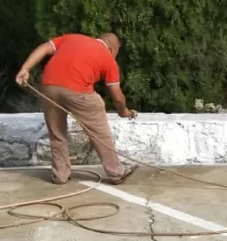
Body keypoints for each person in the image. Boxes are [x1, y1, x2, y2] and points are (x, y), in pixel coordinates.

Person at [15, 32, 137, 185]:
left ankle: (61, 175)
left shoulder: (72, 38)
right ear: (112, 50)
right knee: (100, 133)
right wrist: (124, 112)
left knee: (57, 134)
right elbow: (117, 98)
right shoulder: (108, 58)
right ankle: (116, 172)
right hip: (79, 93)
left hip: (49, 87)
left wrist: (25, 68)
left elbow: (45, 48)